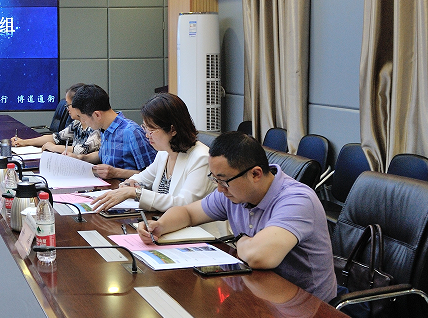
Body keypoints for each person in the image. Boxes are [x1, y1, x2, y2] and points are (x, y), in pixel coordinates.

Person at [139, 131, 336, 302]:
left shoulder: (297, 200)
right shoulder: (232, 191)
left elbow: (259, 257)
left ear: (256, 174)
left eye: (223, 181)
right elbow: (188, 213)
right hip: (258, 292)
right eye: (215, 179)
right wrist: (159, 225)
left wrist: (240, 240)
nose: (219, 189)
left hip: (306, 308)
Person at [89, 93, 212, 213]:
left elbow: (184, 204)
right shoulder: (164, 153)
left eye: (151, 129)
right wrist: (128, 184)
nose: (147, 135)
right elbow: (142, 178)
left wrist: (135, 193)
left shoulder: (201, 158)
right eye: (145, 127)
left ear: (173, 129)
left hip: (194, 226)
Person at [69, 84, 156, 174]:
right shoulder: (104, 128)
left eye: (82, 117)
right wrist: (81, 158)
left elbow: (153, 173)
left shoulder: (132, 132)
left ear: (97, 115)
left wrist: (116, 173)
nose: (82, 121)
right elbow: (103, 154)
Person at [10, 83, 101, 157]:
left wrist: (54, 147)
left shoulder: (95, 125)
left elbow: (83, 150)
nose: (67, 109)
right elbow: (56, 138)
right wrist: (24, 142)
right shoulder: (77, 123)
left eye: (68, 105)